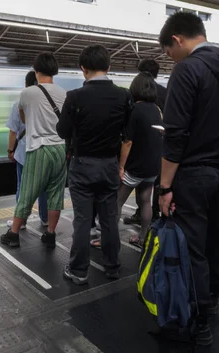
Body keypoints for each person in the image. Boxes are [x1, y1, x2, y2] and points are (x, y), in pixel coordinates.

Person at [157, 12, 219, 345]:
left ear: (178, 40)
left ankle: (197, 323)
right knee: (215, 239)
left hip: (193, 175)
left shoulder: (187, 70)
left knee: (191, 249)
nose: (170, 58)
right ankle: (211, 302)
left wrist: (165, 187)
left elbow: (175, 135)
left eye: (169, 50)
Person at [57, 44, 129, 284]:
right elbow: (128, 134)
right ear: (108, 67)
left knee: (82, 220)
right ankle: (112, 266)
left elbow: (62, 131)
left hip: (83, 165)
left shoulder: (75, 97)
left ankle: (78, 271)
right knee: (109, 218)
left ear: (83, 69)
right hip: (109, 164)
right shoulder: (123, 96)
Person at [0, 52, 67, 248]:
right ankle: (50, 233)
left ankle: (13, 234)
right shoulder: (63, 93)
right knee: (56, 194)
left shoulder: (27, 93)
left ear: (36, 71)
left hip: (39, 148)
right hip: (60, 148)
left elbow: (22, 119)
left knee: (27, 192)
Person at [117, 72, 163, 248]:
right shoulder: (157, 109)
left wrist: (121, 167)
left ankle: (109, 239)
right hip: (152, 167)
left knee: (117, 202)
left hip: (135, 168)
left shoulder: (135, 110)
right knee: (145, 201)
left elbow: (128, 142)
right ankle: (143, 238)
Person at [124, 59, 168, 226]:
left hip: (138, 149)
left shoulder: (136, 95)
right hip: (159, 147)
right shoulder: (164, 92)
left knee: (131, 192)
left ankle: (139, 214)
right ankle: (153, 216)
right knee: (153, 186)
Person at [6, 71, 49, 230]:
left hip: (24, 153)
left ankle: (21, 221)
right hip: (43, 151)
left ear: (25, 85)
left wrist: (10, 150)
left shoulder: (18, 104)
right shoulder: (46, 104)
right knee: (43, 187)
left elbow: (12, 131)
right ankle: (45, 219)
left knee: (23, 187)